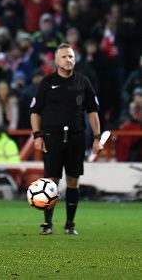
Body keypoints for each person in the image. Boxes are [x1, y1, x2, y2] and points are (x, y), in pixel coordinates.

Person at [30, 43, 102, 236]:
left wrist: (96, 138)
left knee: (72, 180)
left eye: (70, 56)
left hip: (76, 138)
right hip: (52, 138)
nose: (68, 60)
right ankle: (48, 224)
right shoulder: (47, 82)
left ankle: (70, 224)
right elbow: (35, 112)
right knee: (51, 181)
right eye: (64, 57)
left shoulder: (83, 82)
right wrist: (37, 135)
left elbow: (93, 112)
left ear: (74, 59)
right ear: (56, 61)